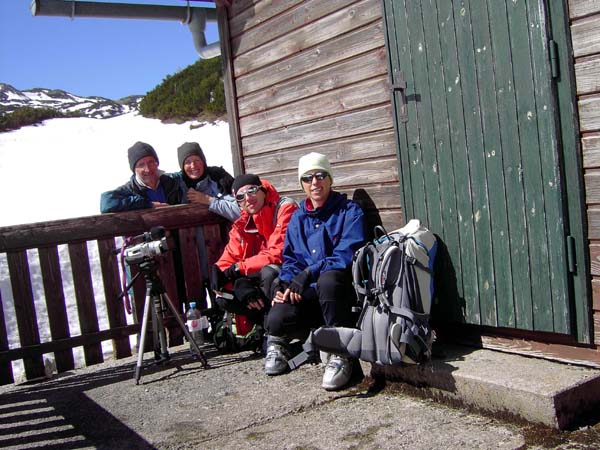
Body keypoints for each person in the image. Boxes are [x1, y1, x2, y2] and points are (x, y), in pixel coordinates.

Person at [264, 152, 366, 391]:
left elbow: (346, 254)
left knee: (329, 280)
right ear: (302, 184)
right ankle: (281, 345)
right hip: (309, 293)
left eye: (320, 176)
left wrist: (309, 273)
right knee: (277, 316)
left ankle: (340, 352)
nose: (314, 183)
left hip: (340, 293)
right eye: (308, 178)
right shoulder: (298, 217)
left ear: (330, 179)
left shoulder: (349, 211)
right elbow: (290, 258)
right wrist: (285, 283)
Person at [211, 173, 297, 333]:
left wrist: (239, 270)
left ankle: (278, 332)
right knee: (223, 295)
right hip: (262, 275)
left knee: (269, 271)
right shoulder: (244, 221)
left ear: (262, 190)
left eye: (252, 190)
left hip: (291, 273)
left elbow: (279, 252)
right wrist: (224, 275)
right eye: (240, 197)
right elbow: (230, 257)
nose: (248, 198)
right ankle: (266, 325)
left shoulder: (285, 208)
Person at [100, 141, 182, 212]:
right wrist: (147, 204)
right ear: (134, 169)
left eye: (151, 162)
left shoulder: (171, 180)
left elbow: (191, 175)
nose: (148, 169)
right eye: (141, 165)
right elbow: (106, 203)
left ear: (157, 163)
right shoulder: (131, 189)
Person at [170, 142, 239, 222]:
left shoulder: (219, 179)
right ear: (182, 167)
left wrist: (208, 200)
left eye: (197, 160)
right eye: (187, 162)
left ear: (203, 162)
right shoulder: (176, 186)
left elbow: (240, 212)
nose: (193, 165)